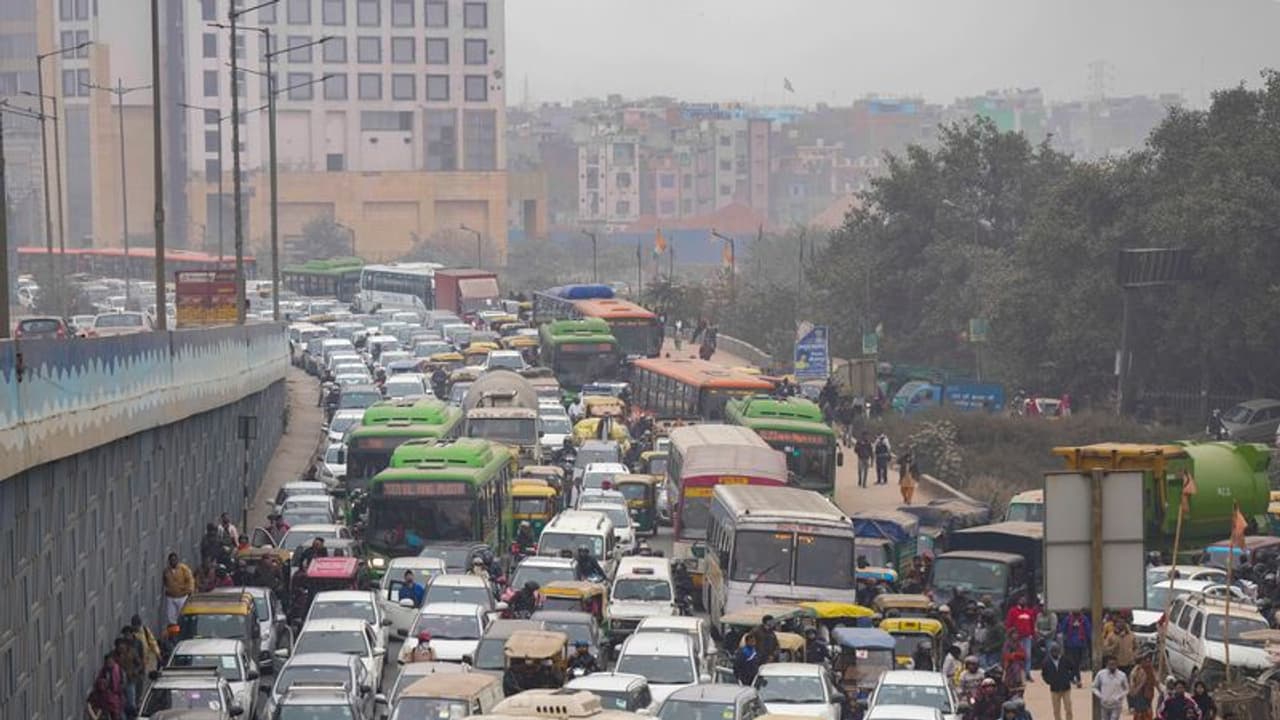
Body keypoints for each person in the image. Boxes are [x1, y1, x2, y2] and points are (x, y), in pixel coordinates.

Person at [1004, 595, 1037, 682]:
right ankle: (1018, 673)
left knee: (1028, 656)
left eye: (1024, 600)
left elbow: (1032, 624)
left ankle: (1027, 674)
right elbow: (1008, 623)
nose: (1023, 601)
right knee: (1018, 656)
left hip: (1027, 637)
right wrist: (1009, 635)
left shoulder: (1029, 612)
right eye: (1021, 600)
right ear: (1018, 601)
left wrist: (1033, 635)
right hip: (1016, 638)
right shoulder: (1013, 611)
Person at [1041, 642, 1077, 720]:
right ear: (1050, 652)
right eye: (1053, 652)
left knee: (1068, 708)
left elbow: (1074, 668)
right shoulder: (1046, 662)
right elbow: (1044, 674)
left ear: (1059, 651)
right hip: (1054, 689)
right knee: (1056, 711)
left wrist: (1069, 678)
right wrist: (1049, 681)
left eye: (1057, 652)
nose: (1055, 654)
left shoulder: (1065, 659)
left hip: (1066, 688)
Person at [1092, 655, 1129, 720]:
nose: (1112, 666)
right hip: (1104, 705)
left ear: (1117, 664)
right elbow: (1094, 687)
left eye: (1114, 664)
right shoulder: (1101, 674)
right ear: (1107, 664)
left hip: (1116, 705)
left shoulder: (1122, 675)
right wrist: (1100, 696)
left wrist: (1120, 696)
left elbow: (1127, 689)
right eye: (1110, 664)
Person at [161, 553, 195, 625]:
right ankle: (173, 633)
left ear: (177, 560)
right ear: (169, 561)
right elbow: (164, 582)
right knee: (171, 617)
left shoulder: (184, 569)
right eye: (171, 560)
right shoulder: (166, 571)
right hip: (171, 597)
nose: (173, 562)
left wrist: (190, 591)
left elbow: (190, 580)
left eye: (174, 560)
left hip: (182, 596)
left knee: (182, 615)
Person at [114, 634, 142, 719]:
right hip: (118, 683)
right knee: (121, 703)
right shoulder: (114, 655)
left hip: (130, 680)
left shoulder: (132, 652)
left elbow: (139, 664)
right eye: (119, 647)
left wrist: (135, 671)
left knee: (131, 703)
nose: (121, 649)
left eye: (122, 647)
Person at [92, 652, 126, 720]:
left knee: (119, 715)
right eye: (108, 662)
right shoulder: (104, 671)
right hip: (105, 699)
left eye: (111, 661)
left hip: (116, 698)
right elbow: (98, 682)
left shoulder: (118, 669)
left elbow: (122, 683)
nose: (109, 664)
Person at [1058, 609, 1091, 676]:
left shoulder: (1084, 619)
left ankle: (1073, 676)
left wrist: (1088, 640)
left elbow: (1088, 630)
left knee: (1077, 662)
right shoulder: (1068, 618)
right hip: (1070, 644)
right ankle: (1077, 677)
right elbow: (1062, 629)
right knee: (1073, 662)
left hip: (1080, 644)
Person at [1129, 652, 1157, 720]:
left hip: (1148, 694)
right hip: (1139, 694)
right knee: (1140, 712)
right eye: (1146, 661)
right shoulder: (1136, 670)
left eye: (1149, 661)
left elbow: (1155, 681)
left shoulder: (1150, 669)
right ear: (1141, 661)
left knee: (1147, 712)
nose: (1148, 663)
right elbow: (1132, 682)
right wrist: (1135, 690)